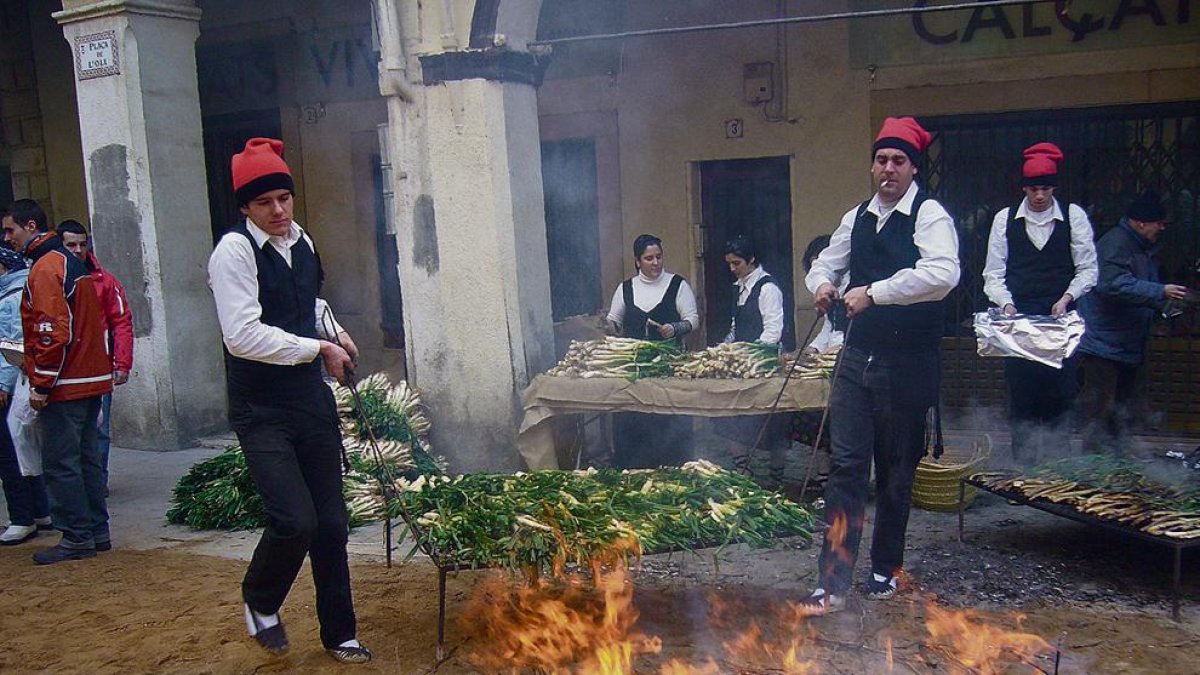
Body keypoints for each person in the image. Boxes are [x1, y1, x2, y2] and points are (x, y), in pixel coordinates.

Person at [207, 137, 370, 664]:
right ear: (244, 208)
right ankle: (260, 600)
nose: (278, 211)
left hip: (309, 402)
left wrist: (336, 333)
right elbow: (242, 335)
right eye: (264, 203)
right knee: (295, 518)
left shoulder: (302, 240)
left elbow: (311, 301)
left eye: (284, 198)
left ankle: (340, 632)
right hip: (262, 409)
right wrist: (316, 347)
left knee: (331, 523)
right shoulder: (233, 252)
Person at [801, 117, 960, 614]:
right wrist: (822, 285)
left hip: (907, 362)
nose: (887, 169)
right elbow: (825, 262)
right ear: (872, 166)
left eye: (898, 161)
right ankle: (833, 580)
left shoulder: (930, 216)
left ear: (913, 168)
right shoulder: (858, 217)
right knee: (847, 466)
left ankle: (885, 568)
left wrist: (875, 291)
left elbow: (942, 274)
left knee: (895, 472)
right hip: (856, 358)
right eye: (881, 160)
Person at [2, 199, 113, 565]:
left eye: (10, 230)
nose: (8, 238)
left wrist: (41, 385)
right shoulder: (69, 264)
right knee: (86, 460)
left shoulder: (47, 267)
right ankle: (96, 531)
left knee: (61, 463)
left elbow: (51, 333)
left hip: (67, 383)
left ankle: (77, 537)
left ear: (30, 226)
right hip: (90, 378)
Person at [981, 142, 1097, 463]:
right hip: (1019, 326)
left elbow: (1088, 269)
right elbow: (993, 274)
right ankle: (1024, 474)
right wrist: (1005, 304)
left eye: (1045, 188)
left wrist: (1067, 298)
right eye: (1034, 189)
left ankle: (1058, 475)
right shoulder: (1005, 220)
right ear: (1024, 188)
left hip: (1060, 326)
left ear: (1053, 188)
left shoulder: (1074, 217)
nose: (1040, 195)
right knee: (1022, 400)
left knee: (1060, 398)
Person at [1077, 190, 1189, 456]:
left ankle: (1115, 470)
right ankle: (1093, 472)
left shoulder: (1141, 249)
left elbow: (1136, 290)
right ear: (1140, 222)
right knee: (1100, 416)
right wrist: (1160, 292)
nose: (1161, 228)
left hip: (1125, 346)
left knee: (1120, 415)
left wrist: (1163, 306)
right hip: (1103, 346)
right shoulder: (1116, 244)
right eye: (1158, 222)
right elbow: (1111, 285)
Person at [604, 234, 699, 468]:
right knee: (634, 420)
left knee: (668, 420)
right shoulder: (626, 288)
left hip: (669, 369)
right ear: (638, 261)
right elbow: (614, 320)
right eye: (649, 258)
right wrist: (610, 326)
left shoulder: (678, 285)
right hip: (634, 372)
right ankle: (633, 469)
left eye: (658, 257)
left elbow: (693, 319)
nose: (655, 262)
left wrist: (674, 328)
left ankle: (674, 468)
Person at [57, 220, 134, 490]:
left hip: (99, 367)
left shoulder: (105, 280)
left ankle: (96, 485)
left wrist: (122, 363)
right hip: (62, 367)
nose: (78, 250)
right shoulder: (50, 277)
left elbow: (121, 321)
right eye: (71, 245)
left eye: (82, 244)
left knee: (99, 429)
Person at [712, 235, 789, 482]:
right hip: (742, 367)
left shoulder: (767, 288)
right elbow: (736, 327)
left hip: (763, 365)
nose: (733, 269)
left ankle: (776, 477)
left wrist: (751, 355)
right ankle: (742, 471)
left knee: (771, 422)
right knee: (736, 419)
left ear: (752, 259)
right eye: (730, 264)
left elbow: (773, 331)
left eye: (737, 263)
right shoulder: (739, 289)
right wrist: (723, 348)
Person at [0, 243, 51, 545]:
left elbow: (11, 345)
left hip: (10, 385)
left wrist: (2, 384)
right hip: (16, 382)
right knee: (24, 447)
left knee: (10, 454)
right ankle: (39, 510)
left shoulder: (11, 296)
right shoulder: (20, 288)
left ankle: (22, 517)